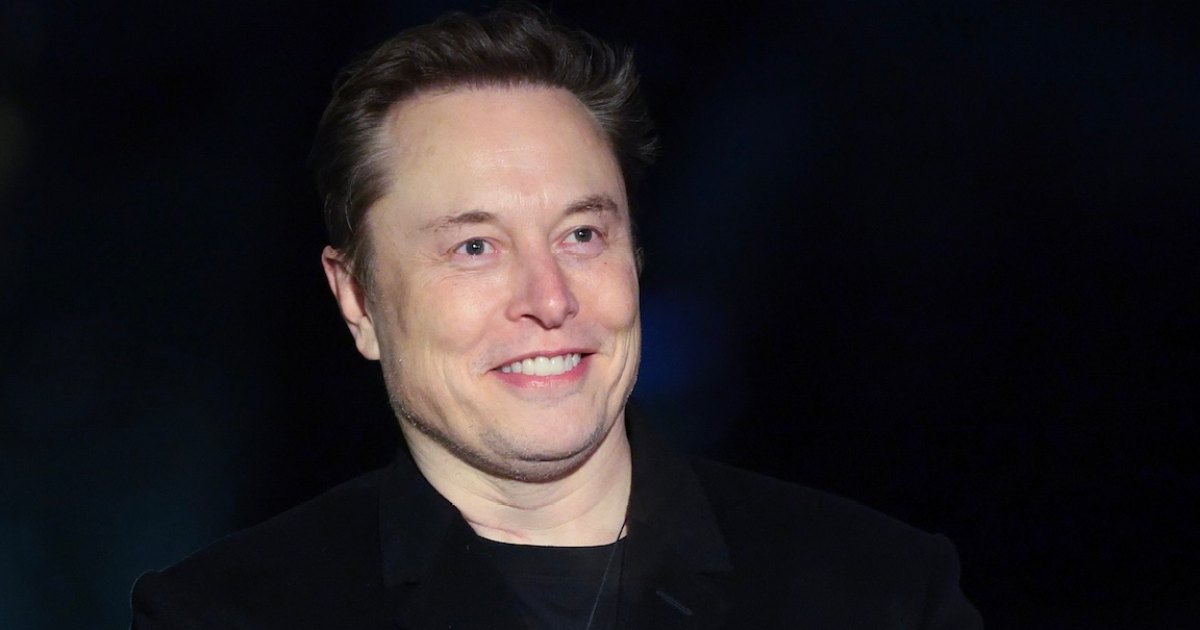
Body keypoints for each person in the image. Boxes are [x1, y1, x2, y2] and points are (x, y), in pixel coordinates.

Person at [131, 6, 983, 629]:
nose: (549, 298)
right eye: (474, 247)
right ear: (357, 300)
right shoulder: (226, 614)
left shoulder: (882, 591)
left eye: (581, 235)